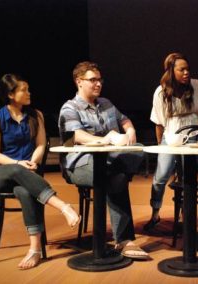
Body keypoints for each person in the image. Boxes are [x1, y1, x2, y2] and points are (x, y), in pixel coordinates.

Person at [0, 74, 81, 270]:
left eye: (28, 89)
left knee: (25, 191)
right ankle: (63, 206)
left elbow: (40, 145)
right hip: (1, 173)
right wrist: (18, 163)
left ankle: (35, 248)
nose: (29, 93)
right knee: (14, 169)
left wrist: (32, 161)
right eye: (24, 90)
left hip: (27, 173)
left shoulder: (35, 115)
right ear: (11, 95)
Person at [58, 61, 149, 259]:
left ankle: (122, 240)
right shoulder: (69, 108)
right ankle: (124, 240)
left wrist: (130, 130)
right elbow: (76, 135)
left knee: (138, 150)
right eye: (93, 80)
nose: (98, 84)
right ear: (79, 81)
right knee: (116, 177)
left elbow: (124, 119)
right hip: (80, 163)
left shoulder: (106, 103)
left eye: (100, 80)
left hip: (109, 161)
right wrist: (105, 140)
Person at [144, 52, 198, 231]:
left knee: (186, 178)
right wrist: (161, 144)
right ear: (171, 71)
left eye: (187, 69)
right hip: (169, 137)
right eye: (181, 69)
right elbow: (159, 123)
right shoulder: (161, 92)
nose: (186, 72)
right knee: (160, 177)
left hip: (192, 136)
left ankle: (186, 216)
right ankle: (155, 212)